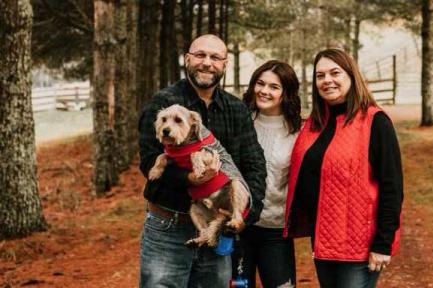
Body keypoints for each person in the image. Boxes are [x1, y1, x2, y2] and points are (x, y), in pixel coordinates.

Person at [138, 34, 267, 288]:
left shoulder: (236, 109)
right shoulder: (163, 103)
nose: (207, 63)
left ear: (224, 64)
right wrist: (189, 178)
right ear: (187, 59)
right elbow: (149, 161)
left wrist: (243, 215)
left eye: (215, 57)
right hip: (168, 228)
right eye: (200, 55)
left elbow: (254, 165)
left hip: (217, 228)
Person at [283, 48, 403, 288]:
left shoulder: (375, 122)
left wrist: (383, 244)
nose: (327, 80)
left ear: (351, 75)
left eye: (334, 72)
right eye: (320, 75)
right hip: (324, 240)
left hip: (359, 245)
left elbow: (393, 188)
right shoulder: (314, 126)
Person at [239, 60, 302, 288]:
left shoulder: (298, 132)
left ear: (286, 93)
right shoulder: (239, 121)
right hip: (238, 227)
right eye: (260, 83)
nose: (264, 91)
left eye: (274, 87)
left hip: (276, 231)